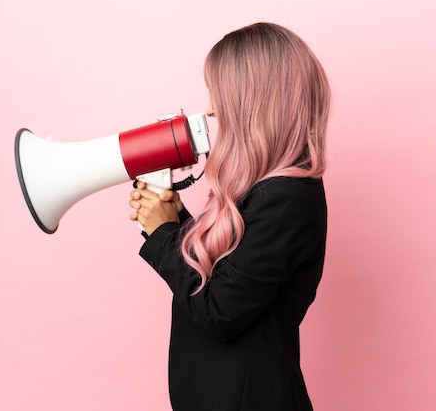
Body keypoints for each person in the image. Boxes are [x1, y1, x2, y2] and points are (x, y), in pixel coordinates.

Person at [128, 22, 330, 411]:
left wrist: (163, 234)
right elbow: (227, 274)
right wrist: (179, 222)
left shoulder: (287, 198)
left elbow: (219, 311)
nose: (210, 109)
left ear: (255, 100)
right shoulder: (267, 191)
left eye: (219, 94)